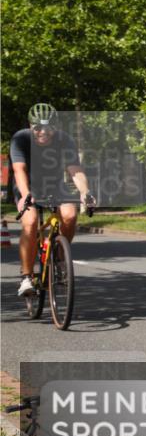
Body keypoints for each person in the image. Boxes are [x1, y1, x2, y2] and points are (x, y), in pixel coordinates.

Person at [10, 103, 93, 297]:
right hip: (27, 185)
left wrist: (85, 192)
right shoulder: (20, 139)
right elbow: (19, 170)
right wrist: (26, 194)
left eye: (49, 127)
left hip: (54, 184)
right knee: (30, 221)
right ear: (30, 125)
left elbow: (75, 170)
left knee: (70, 215)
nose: (43, 132)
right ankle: (26, 277)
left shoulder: (65, 140)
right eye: (38, 127)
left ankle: (60, 259)